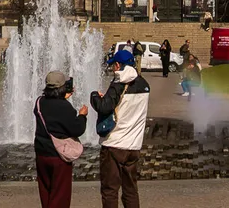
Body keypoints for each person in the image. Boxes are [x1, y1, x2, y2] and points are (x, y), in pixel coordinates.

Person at [90, 49, 150, 208]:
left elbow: (104, 108)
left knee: (110, 189)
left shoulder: (118, 84)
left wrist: (95, 97)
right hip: (133, 145)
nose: (112, 70)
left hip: (114, 145)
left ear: (118, 65)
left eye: (113, 66)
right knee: (131, 189)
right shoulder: (144, 84)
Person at [34, 70, 87, 208]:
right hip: (59, 156)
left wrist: (62, 98)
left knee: (46, 192)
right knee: (60, 196)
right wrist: (82, 115)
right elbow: (77, 129)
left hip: (41, 153)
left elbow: (52, 108)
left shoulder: (39, 102)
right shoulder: (65, 107)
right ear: (63, 87)